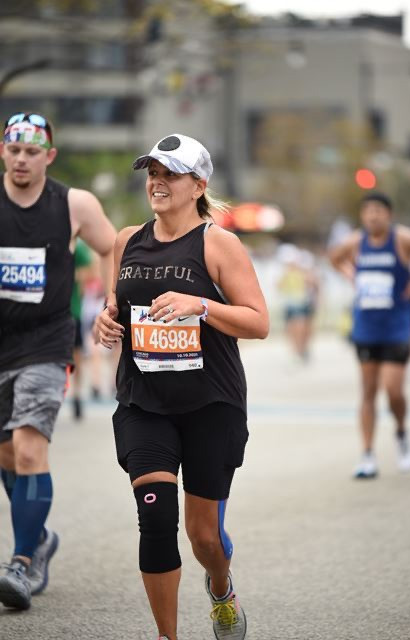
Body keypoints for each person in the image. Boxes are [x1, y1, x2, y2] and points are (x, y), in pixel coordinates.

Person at [96, 133, 269, 640]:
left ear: (198, 185)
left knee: (203, 537)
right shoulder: (126, 240)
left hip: (210, 404)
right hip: (144, 402)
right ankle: (166, 636)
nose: (157, 182)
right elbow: (117, 306)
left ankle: (221, 588)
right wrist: (106, 321)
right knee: (155, 521)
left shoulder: (218, 243)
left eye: (170, 174)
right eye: (152, 172)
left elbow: (258, 322)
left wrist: (203, 305)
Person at [0, 112, 116, 610]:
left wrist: (111, 303)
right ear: (3, 152)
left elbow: (111, 246)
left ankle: (21, 562)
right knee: (7, 455)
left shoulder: (74, 204)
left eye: (32, 151)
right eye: (14, 150)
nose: (22, 159)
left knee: (29, 450)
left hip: (46, 342)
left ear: (49, 156)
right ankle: (41, 538)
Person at [329, 191, 410, 479]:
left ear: (389, 214)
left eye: (378, 211)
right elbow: (334, 257)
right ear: (362, 215)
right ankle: (367, 454)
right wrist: (350, 275)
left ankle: (401, 433)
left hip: (396, 327)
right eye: (368, 211)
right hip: (366, 327)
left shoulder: (402, 239)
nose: (373, 216)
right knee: (368, 390)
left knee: (394, 390)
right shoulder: (355, 242)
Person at [276, 244, 319, 361]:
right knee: (293, 328)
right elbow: (279, 286)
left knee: (303, 327)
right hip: (291, 303)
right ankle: (297, 350)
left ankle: (302, 349)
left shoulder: (303, 270)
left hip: (302, 302)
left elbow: (313, 283)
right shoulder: (286, 272)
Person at [70, 238, 94, 420]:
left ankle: (76, 394)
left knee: (77, 357)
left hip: (73, 311)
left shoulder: (77, 246)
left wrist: (63, 273)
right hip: (48, 315)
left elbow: (89, 271)